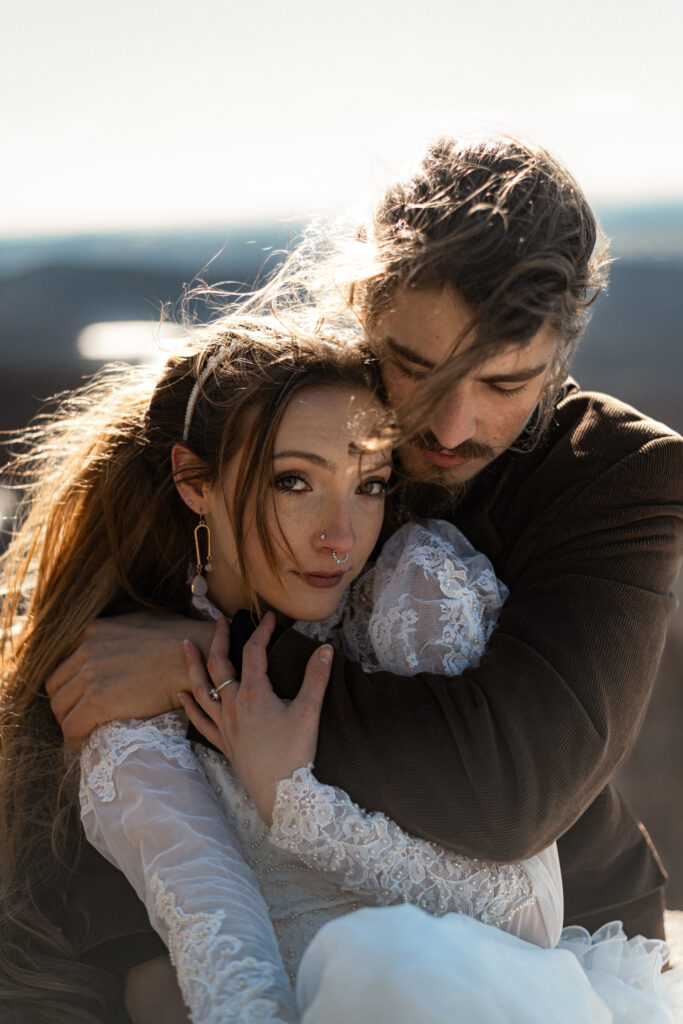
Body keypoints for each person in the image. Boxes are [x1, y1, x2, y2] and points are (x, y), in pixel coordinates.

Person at [46, 136, 683, 1007]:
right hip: (269, 901)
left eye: (506, 383)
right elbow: (103, 692)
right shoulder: (298, 414)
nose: (452, 426)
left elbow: (510, 789)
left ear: (562, 354)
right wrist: (138, 959)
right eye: (416, 369)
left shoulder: (620, 474)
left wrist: (207, 660)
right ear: (360, 312)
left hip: (558, 929)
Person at [0, 317, 389, 1023]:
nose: (341, 535)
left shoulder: (411, 597)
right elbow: (176, 971)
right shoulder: (115, 690)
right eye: (293, 481)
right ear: (192, 480)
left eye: (370, 485)